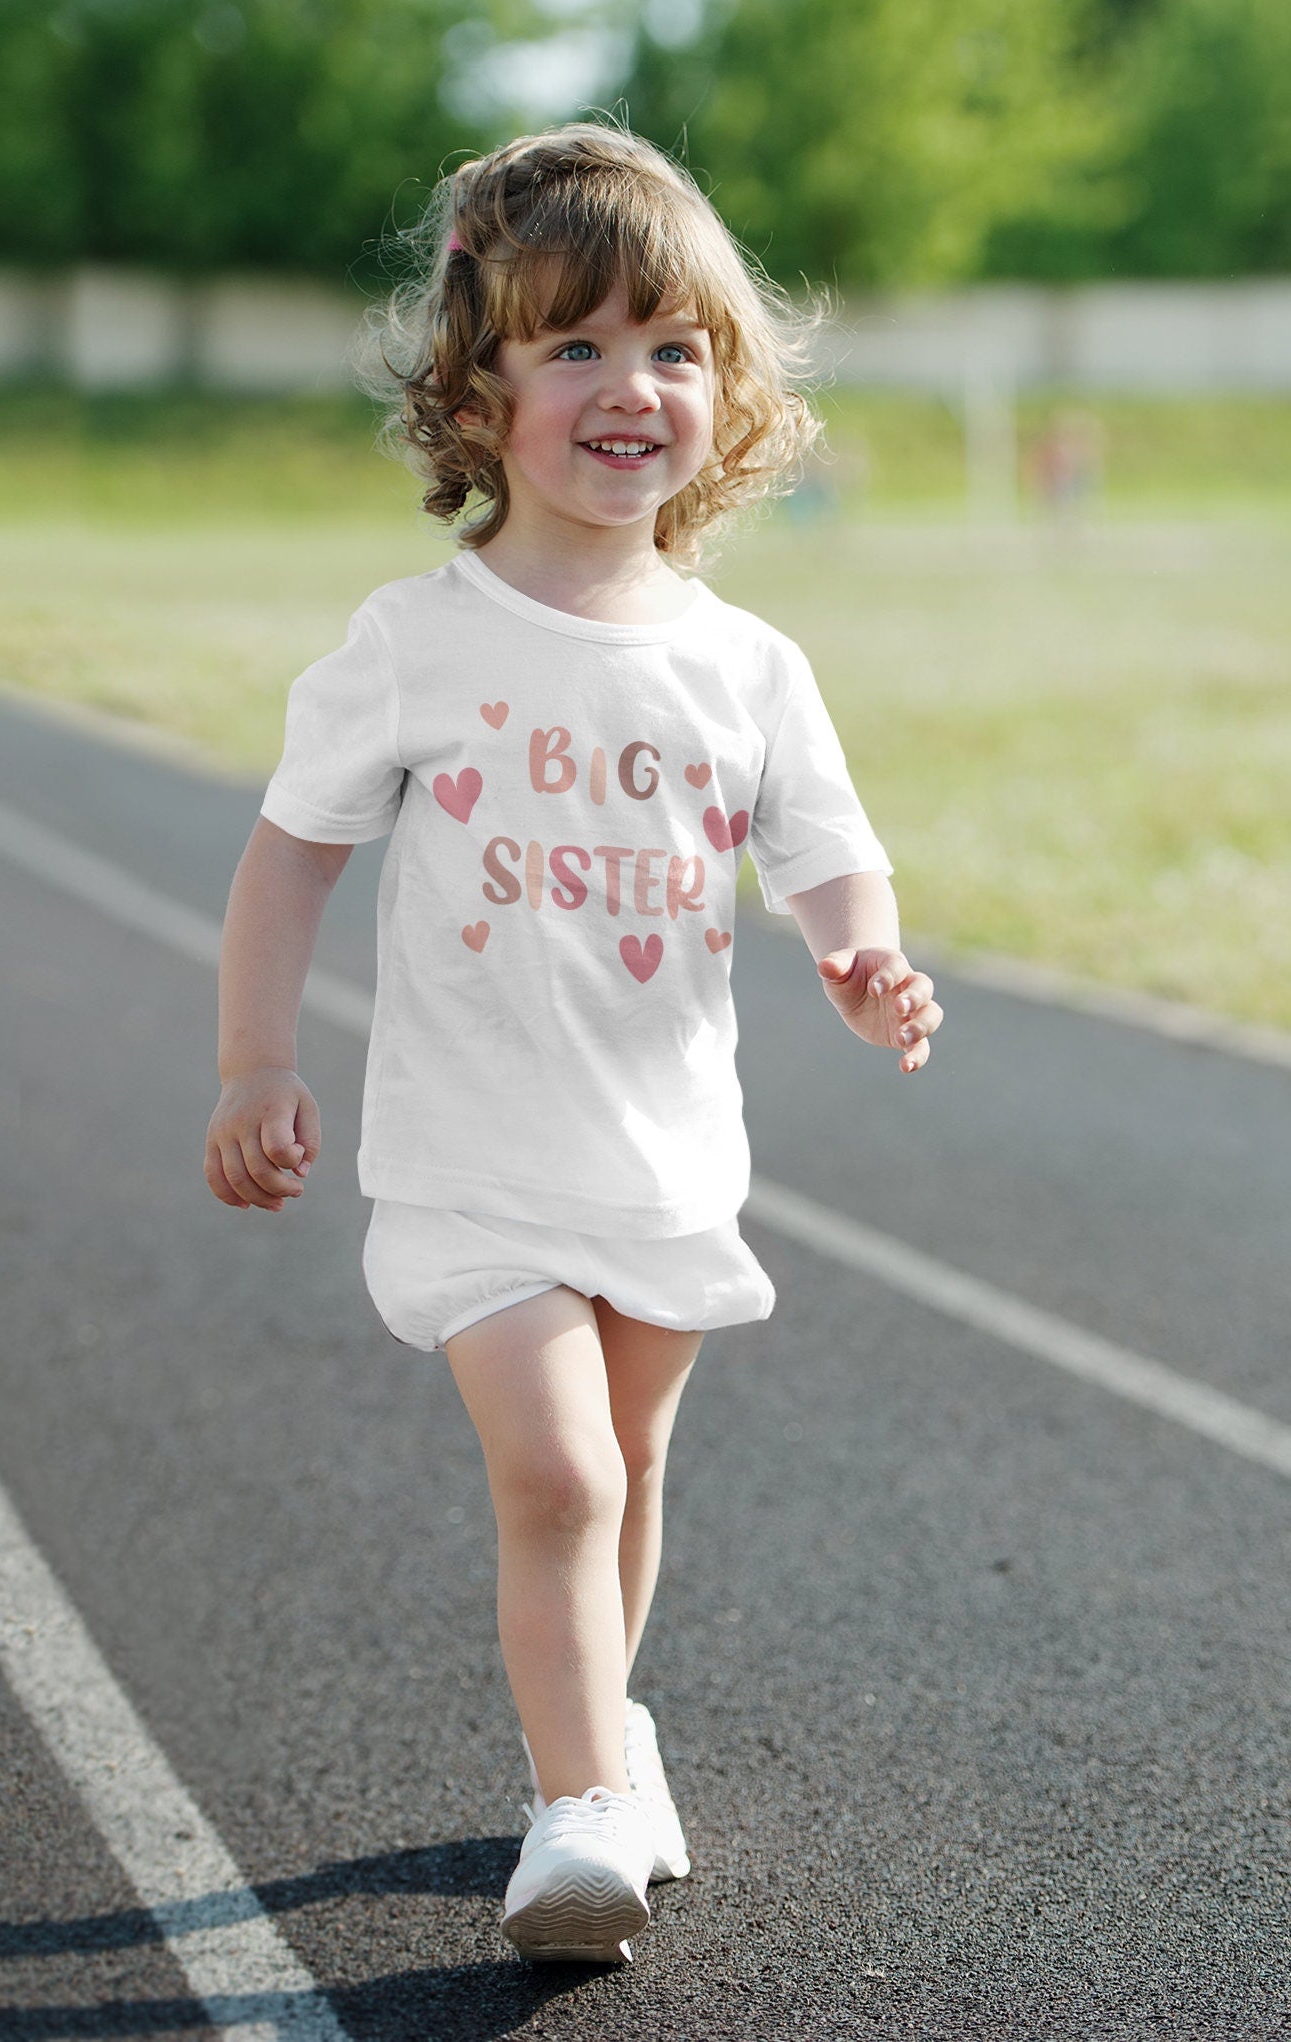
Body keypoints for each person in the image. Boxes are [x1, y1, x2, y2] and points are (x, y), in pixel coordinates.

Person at [204, 118, 943, 1967]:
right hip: (473, 1162)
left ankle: (608, 1741)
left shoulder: (747, 665)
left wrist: (867, 965)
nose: (634, 387)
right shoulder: (416, 641)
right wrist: (252, 1062)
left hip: (667, 1154)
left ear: (731, 388)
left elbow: (827, 853)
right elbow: (290, 852)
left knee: (630, 1474)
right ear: (482, 389)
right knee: (558, 1476)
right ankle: (583, 1807)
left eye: (675, 349)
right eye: (578, 346)